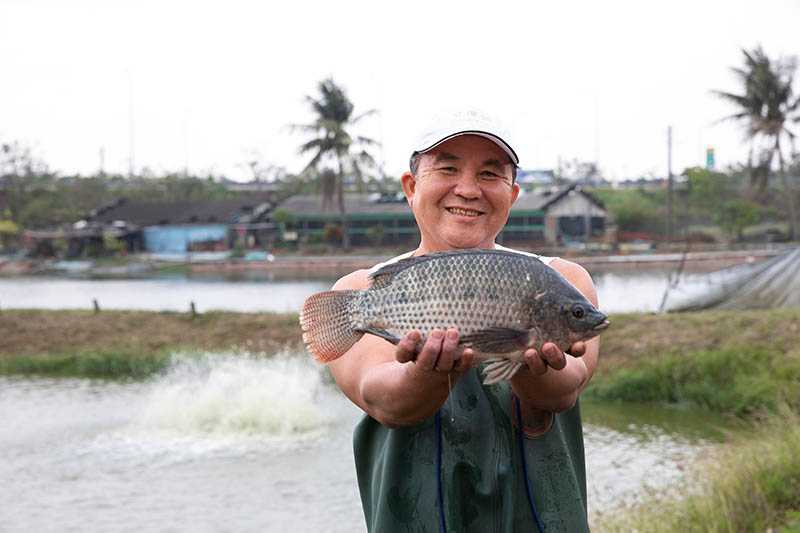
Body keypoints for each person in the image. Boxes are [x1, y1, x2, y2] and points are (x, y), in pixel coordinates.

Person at [328, 111, 599, 532]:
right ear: (411, 186)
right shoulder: (361, 290)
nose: (468, 189)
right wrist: (426, 374)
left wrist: (530, 365)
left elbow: (569, 386)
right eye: (448, 168)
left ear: (512, 194)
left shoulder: (565, 280)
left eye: (490, 174)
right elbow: (382, 398)